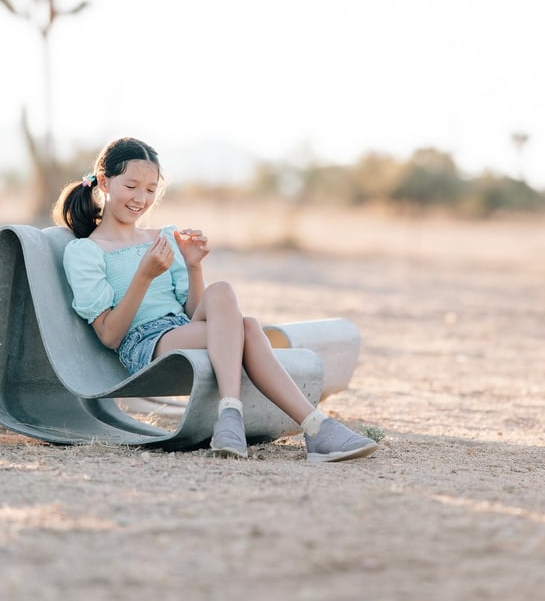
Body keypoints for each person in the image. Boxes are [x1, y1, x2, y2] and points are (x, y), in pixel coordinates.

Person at [53, 136, 378, 463]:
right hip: (143, 343)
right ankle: (310, 426)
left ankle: (241, 416)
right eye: (131, 186)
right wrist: (144, 276)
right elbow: (109, 335)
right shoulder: (86, 251)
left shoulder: (162, 237)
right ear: (104, 182)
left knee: (226, 297)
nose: (141, 199)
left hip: (181, 329)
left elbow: (195, 311)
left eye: (151, 190)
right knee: (247, 328)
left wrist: (193, 265)